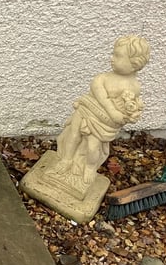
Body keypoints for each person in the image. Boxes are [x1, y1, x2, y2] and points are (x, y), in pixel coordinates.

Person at [52, 36, 150, 199]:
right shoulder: (102, 79)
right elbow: (103, 98)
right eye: (113, 54)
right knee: (73, 135)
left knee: (93, 148)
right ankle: (66, 160)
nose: (112, 59)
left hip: (104, 124)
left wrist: (131, 115)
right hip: (86, 111)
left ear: (135, 64)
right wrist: (113, 113)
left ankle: (90, 168)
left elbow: (132, 105)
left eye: (118, 56)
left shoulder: (135, 86)